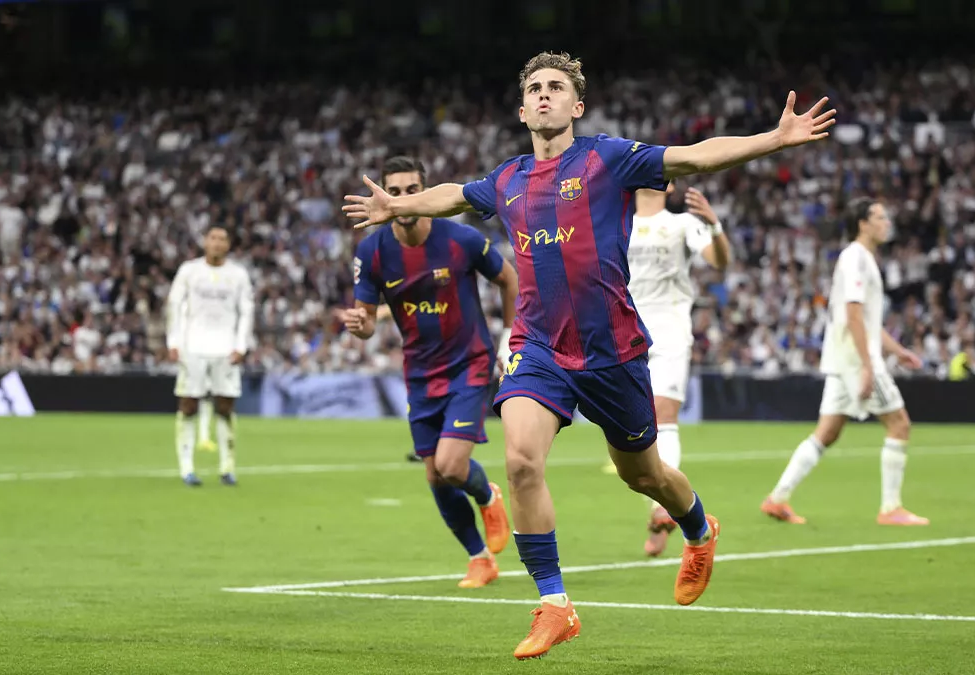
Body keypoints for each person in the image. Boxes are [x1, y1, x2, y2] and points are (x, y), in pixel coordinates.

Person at [342, 51, 835, 659]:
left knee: (643, 475)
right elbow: (450, 197)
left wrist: (775, 140)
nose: (543, 95)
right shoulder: (507, 179)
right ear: (523, 109)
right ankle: (554, 605)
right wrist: (399, 207)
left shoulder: (608, 158)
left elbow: (693, 155)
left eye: (555, 87)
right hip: (538, 345)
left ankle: (699, 528)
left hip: (611, 350)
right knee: (521, 460)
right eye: (534, 89)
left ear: (576, 105)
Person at [341, 156, 517, 589]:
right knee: (435, 474)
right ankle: (479, 558)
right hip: (419, 372)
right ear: (383, 194)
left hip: (470, 363)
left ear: (424, 190)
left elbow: (509, 280)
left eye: (411, 189)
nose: (403, 199)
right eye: (394, 191)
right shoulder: (373, 251)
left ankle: (487, 494)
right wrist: (361, 328)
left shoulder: (459, 238)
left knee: (452, 465)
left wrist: (509, 339)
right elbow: (365, 323)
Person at [761, 199, 929, 527]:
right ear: (862, 223)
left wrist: (897, 350)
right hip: (855, 359)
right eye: (880, 217)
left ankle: (777, 498)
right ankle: (891, 508)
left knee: (827, 432)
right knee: (899, 424)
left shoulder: (861, 258)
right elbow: (853, 313)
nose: (886, 222)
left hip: (843, 358)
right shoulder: (856, 258)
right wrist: (869, 364)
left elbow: (865, 320)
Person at [622, 183, 731, 556]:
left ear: (667, 183)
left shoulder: (683, 223)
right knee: (634, 432)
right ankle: (661, 508)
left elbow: (719, 262)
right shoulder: (617, 222)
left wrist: (714, 225)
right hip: (625, 331)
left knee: (664, 416)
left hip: (669, 329)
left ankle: (661, 511)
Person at [166, 225, 254, 487]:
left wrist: (241, 345)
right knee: (188, 405)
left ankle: (227, 467)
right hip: (193, 347)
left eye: (222, 239)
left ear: (228, 245)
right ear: (205, 242)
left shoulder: (238, 274)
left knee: (225, 407)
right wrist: (173, 341)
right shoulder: (189, 271)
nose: (217, 243)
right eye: (213, 238)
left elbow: (246, 311)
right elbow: (174, 305)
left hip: (225, 348)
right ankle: (186, 468)